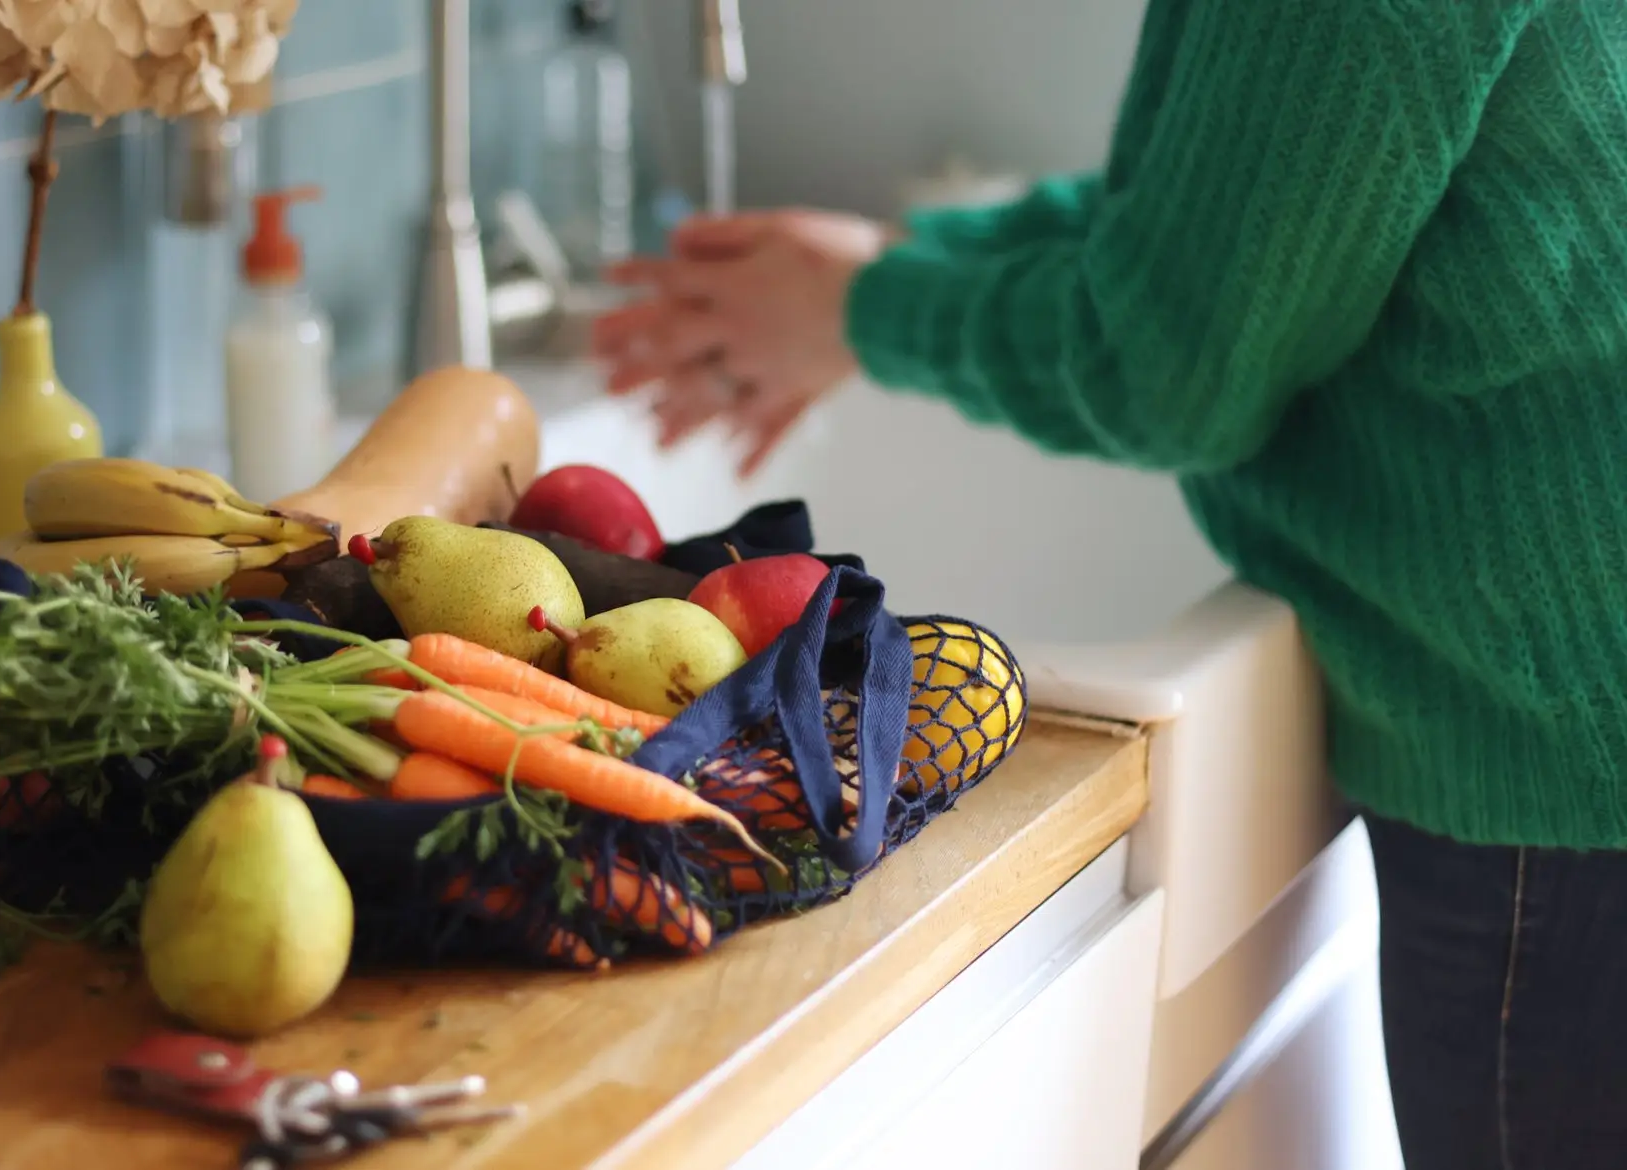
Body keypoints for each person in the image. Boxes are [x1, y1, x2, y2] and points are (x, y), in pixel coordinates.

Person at [591, 2, 1627, 1166]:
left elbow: (1170, 370)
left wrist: (867, 306)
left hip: (1564, 754)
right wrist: (886, 274)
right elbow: (1223, 215)